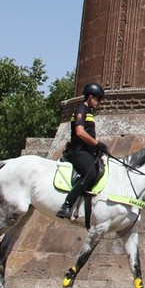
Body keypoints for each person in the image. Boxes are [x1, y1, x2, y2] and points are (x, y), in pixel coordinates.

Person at [56, 82, 111, 219]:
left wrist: (96, 148)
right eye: (97, 99)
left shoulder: (89, 112)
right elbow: (80, 132)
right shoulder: (81, 109)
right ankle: (67, 204)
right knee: (91, 173)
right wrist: (97, 143)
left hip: (86, 151)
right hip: (77, 152)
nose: (98, 103)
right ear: (90, 97)